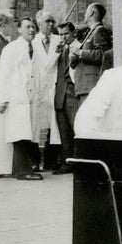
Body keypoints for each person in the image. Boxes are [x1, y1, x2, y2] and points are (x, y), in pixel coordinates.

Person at [0, 17, 43, 180]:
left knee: (27, 134)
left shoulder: (35, 49)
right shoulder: (11, 49)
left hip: (30, 99)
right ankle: (23, 171)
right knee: (20, 134)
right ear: (19, 30)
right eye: (28, 27)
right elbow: (3, 75)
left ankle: (20, 169)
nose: (31, 30)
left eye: (34, 27)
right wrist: (2, 99)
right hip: (17, 99)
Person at [31, 9, 62, 170]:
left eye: (52, 21)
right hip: (39, 89)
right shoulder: (33, 42)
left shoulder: (59, 40)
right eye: (47, 21)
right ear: (39, 24)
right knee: (36, 126)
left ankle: (51, 161)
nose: (51, 24)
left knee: (54, 125)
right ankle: (35, 161)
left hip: (54, 87)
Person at [70, 2, 112, 108]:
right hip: (86, 86)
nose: (85, 15)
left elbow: (104, 54)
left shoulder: (99, 31)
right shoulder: (93, 31)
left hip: (91, 86)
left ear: (91, 13)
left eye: (86, 12)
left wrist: (80, 53)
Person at [52, 22, 78, 174]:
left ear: (73, 33)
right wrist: (56, 53)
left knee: (76, 129)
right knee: (63, 131)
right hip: (60, 95)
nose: (62, 37)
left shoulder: (79, 46)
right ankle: (66, 163)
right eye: (60, 34)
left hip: (72, 93)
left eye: (66, 34)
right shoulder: (60, 50)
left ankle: (78, 162)